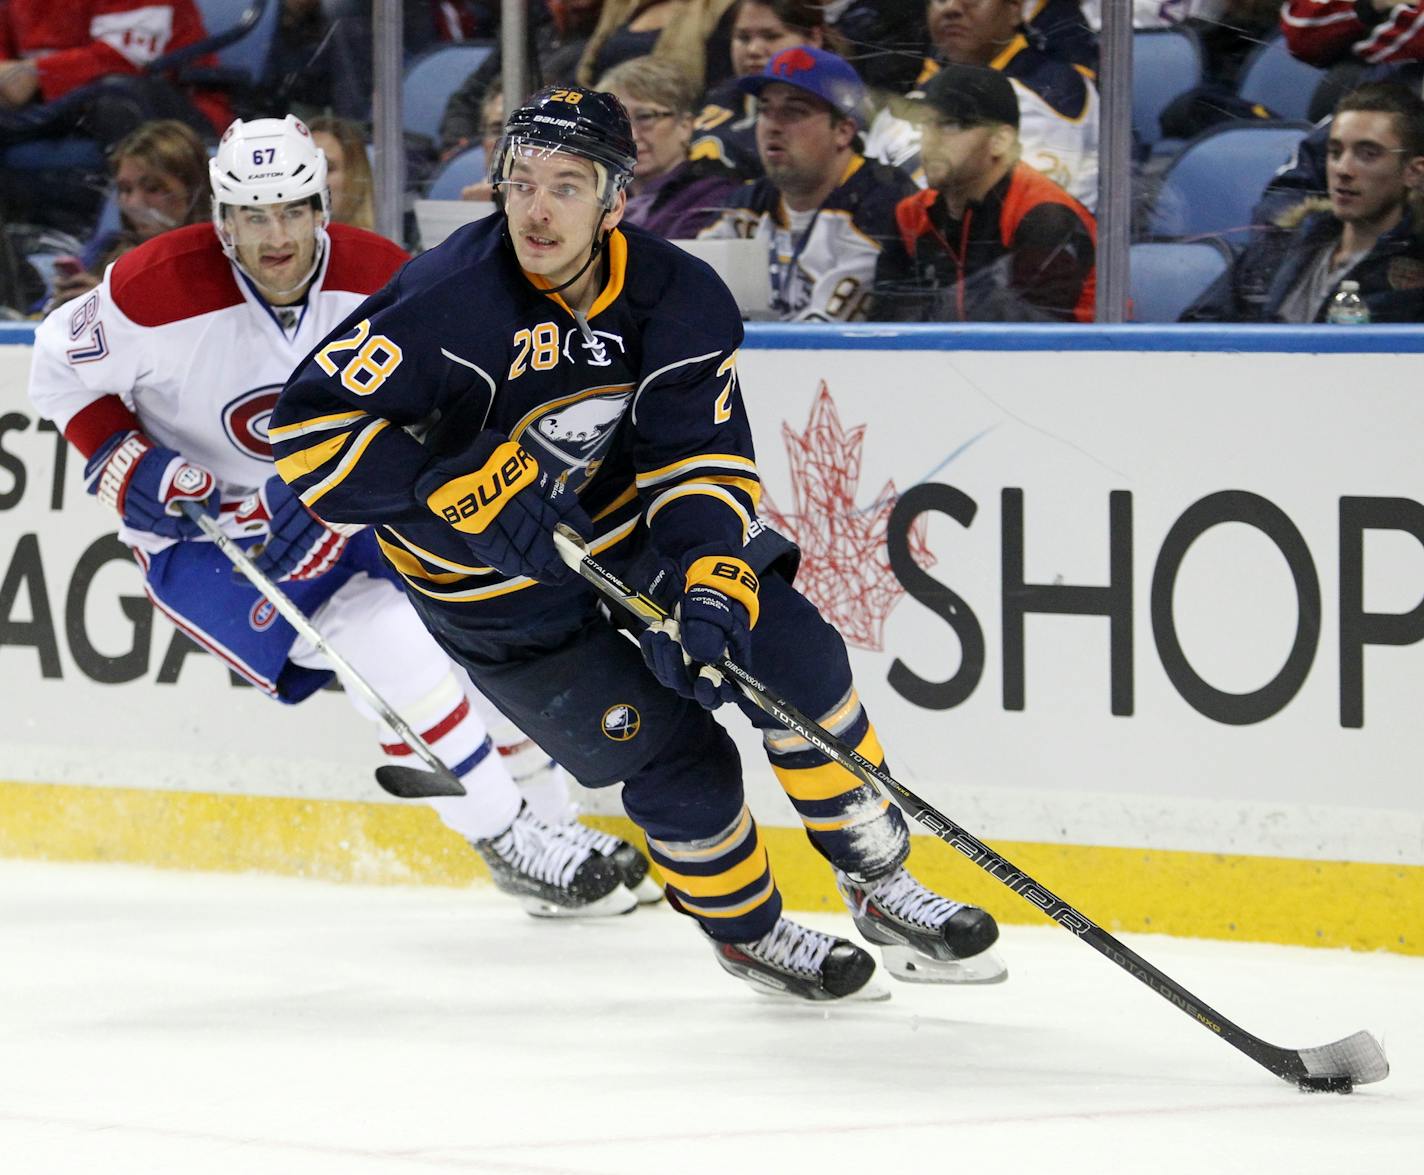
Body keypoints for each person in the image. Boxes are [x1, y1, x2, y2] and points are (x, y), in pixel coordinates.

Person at [271, 85, 1007, 1001]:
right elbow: (303, 432)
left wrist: (708, 581)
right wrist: (441, 486)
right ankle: (750, 933)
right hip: (493, 595)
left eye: (567, 186)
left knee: (795, 655)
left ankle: (880, 877)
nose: (537, 209)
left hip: (631, 540)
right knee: (682, 765)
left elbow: (700, 460)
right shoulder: (442, 301)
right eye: (522, 181)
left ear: (616, 200)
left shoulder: (676, 295)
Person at [27, 113, 657, 920]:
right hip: (208, 532)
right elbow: (55, 370)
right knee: (378, 632)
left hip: (353, 506)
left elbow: (454, 400)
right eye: (252, 215)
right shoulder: (151, 288)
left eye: (292, 209)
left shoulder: (385, 277)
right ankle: (507, 834)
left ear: (323, 205)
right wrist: (125, 462)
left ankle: (553, 824)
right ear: (221, 219)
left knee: (475, 628)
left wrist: (334, 483)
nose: (276, 235)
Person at [698, 46, 918, 321]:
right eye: (765, 110)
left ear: (843, 131)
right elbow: (688, 300)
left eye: (794, 112)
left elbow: (825, 340)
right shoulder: (748, 203)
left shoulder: (885, 204)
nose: (772, 126)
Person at [871, 64, 1097, 322]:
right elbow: (888, 329)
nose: (929, 140)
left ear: (1000, 140)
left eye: (950, 125)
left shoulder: (1043, 214)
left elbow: (1032, 343)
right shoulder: (910, 215)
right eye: (925, 126)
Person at [1183, 81, 1424, 323]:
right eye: (1335, 152)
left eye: (1368, 154)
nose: (1343, 169)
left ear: (1413, 172)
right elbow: (1195, 335)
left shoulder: (1415, 272)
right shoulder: (1280, 245)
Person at [923, 0, 1100, 209]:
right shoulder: (927, 90)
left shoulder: (1047, 91)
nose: (951, 8)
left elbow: (1021, 212)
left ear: (1014, 10)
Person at [0, 0, 232, 145]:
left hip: (174, 109)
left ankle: (141, 219)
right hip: (66, 108)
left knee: (116, 96)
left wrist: (36, 74)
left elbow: (127, 59)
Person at [46, 119, 210, 311]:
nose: (133, 203)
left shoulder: (218, 261)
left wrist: (111, 308)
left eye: (152, 188)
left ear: (193, 190)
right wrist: (63, 308)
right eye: (125, 189)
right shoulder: (107, 250)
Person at [598, 55, 741, 237]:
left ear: (685, 126)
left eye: (646, 117)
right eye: (617, 121)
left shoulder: (713, 197)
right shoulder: (600, 197)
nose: (631, 134)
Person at [577, 0, 739, 94]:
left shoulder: (720, 8)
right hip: (599, 112)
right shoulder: (624, 4)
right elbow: (588, 63)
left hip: (666, 119)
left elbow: (719, 85)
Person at [309, 116, 377, 230]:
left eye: (326, 168)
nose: (311, 178)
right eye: (302, 168)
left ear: (355, 176)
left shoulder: (375, 246)